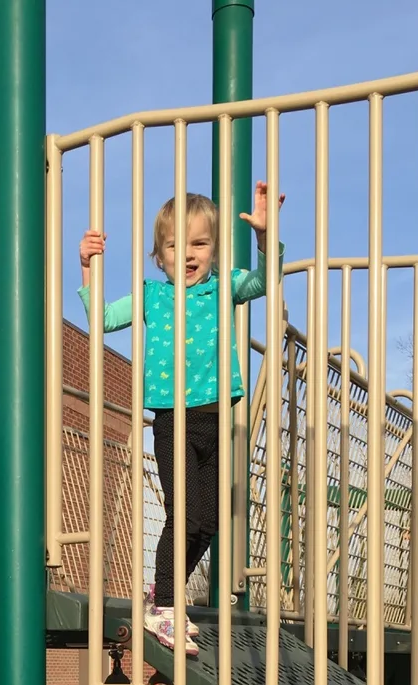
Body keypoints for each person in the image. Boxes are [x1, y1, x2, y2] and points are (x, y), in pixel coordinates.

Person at [79, 183, 285, 648]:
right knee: (184, 515)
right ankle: (167, 607)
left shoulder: (223, 288)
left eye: (199, 243)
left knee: (209, 522)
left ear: (214, 249)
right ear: (159, 256)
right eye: (175, 245)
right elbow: (103, 319)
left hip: (216, 423)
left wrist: (266, 238)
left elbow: (264, 281)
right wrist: (88, 269)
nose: (188, 255)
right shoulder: (154, 297)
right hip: (175, 421)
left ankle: (160, 596)